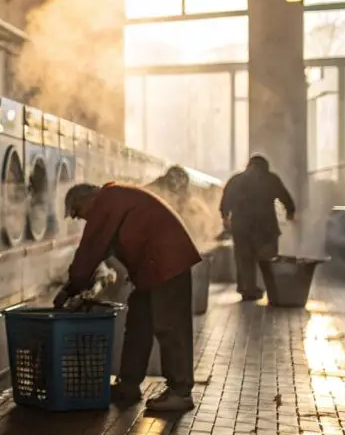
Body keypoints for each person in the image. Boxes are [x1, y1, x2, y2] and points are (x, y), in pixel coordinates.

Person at [53, 182, 201, 412]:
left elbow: (90, 249)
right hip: (153, 265)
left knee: (170, 326)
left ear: (85, 200)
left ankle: (180, 392)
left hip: (168, 261)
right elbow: (102, 251)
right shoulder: (114, 199)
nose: (82, 220)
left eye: (79, 213)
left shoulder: (106, 202)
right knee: (139, 322)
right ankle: (129, 384)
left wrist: (70, 288)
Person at [219, 154, 296, 302]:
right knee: (268, 259)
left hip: (242, 228)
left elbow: (226, 199)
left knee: (244, 259)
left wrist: (225, 217)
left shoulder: (236, 180)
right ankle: (271, 288)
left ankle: (247, 290)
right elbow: (285, 196)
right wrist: (290, 212)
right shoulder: (271, 179)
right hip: (266, 227)